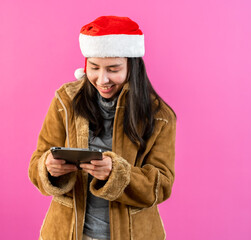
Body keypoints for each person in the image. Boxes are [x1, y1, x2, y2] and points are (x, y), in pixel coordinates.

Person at [28, 16, 176, 240]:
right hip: (66, 233)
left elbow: (162, 185)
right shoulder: (65, 101)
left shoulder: (159, 116)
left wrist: (115, 174)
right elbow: (36, 163)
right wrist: (48, 168)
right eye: (94, 67)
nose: (102, 79)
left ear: (132, 67)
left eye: (113, 69)